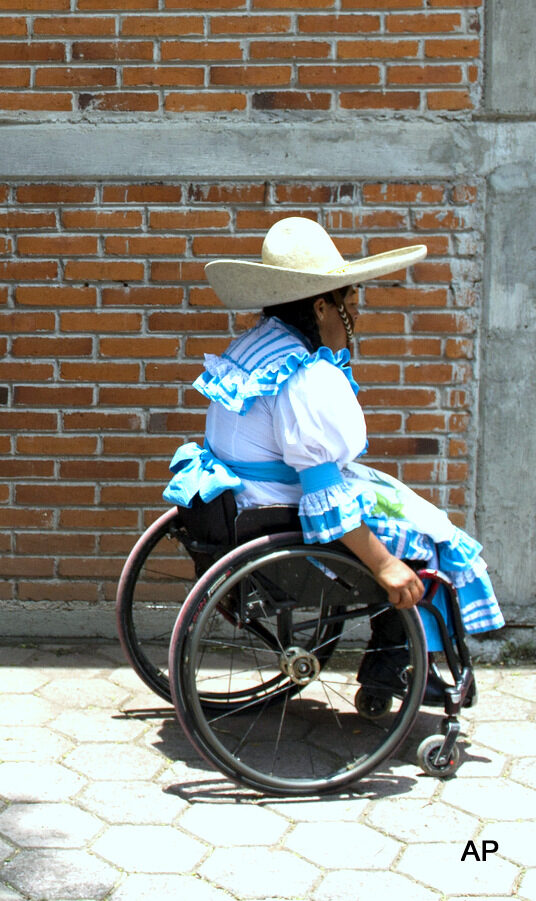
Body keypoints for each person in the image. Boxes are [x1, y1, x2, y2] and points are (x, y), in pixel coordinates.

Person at [164, 216, 503, 697]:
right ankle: (396, 665)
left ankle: (396, 660)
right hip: (281, 513)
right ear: (322, 306)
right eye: (352, 303)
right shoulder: (305, 376)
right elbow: (323, 492)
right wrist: (384, 564)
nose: (356, 316)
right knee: (434, 541)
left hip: (243, 501)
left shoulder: (254, 347)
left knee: (399, 499)